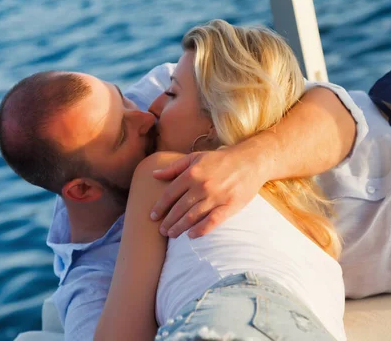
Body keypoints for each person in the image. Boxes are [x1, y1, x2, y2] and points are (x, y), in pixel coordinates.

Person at [0, 28, 391, 340]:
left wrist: (251, 160)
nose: (145, 115)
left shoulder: (163, 94)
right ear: (82, 191)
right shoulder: (92, 285)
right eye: (122, 134)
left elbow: (333, 107)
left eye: (122, 98)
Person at [92, 19, 346, 340]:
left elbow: (121, 334)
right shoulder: (308, 223)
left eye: (171, 93)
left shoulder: (167, 173)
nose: (152, 108)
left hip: (235, 317)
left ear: (214, 121)